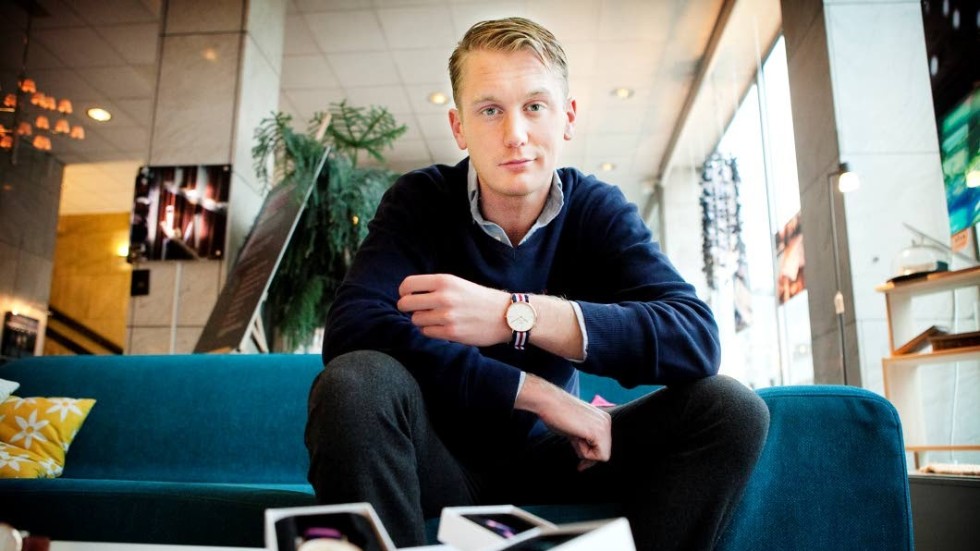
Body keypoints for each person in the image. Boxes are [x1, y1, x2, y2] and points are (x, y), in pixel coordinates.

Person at [306, 17, 770, 551]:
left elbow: (694, 338)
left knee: (730, 409)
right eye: (490, 110)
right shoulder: (421, 201)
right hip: (436, 459)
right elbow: (352, 327)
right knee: (354, 382)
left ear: (566, 117)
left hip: (558, 460)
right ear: (459, 127)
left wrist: (513, 314)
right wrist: (536, 394)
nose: (515, 135)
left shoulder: (595, 210)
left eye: (534, 106)